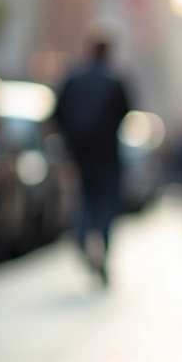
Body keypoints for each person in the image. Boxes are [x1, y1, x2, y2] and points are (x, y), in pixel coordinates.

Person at [54, 25, 131, 286]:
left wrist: (69, 145)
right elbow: (126, 113)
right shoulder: (115, 81)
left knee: (85, 201)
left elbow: (57, 115)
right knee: (106, 205)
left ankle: (82, 238)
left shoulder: (73, 80)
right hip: (108, 155)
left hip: (80, 154)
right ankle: (104, 255)